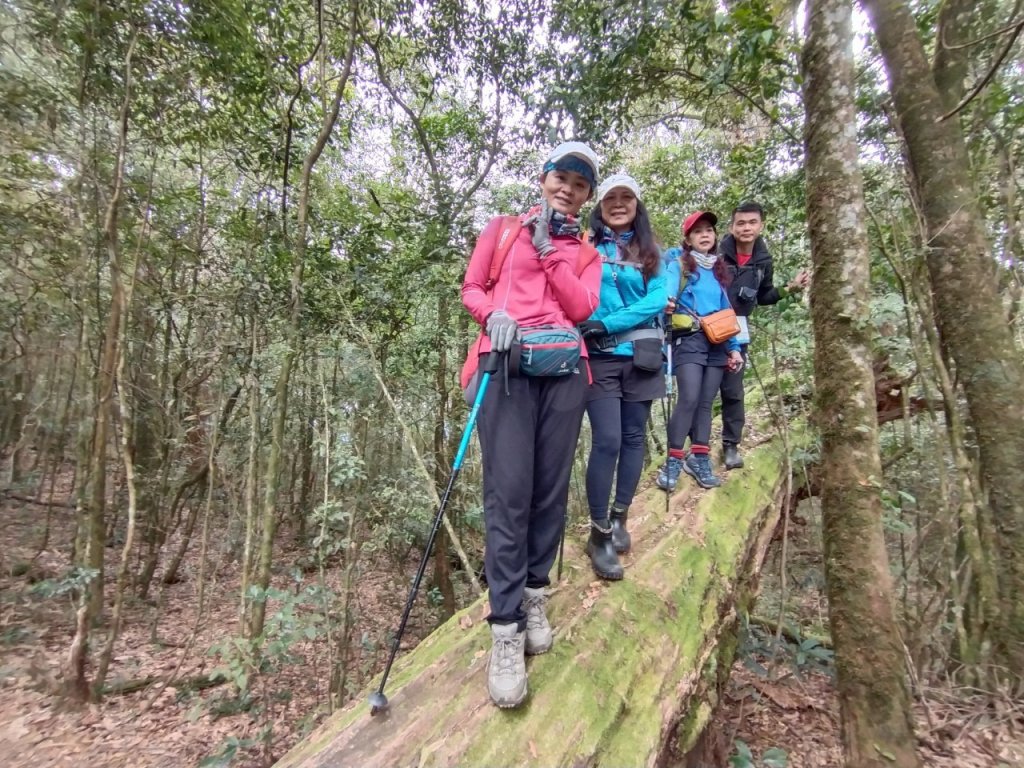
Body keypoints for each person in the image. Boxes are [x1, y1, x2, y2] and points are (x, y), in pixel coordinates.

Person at [460, 141, 602, 709]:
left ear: (587, 196)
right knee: (508, 494)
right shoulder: (500, 229)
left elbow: (581, 308)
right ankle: (505, 627)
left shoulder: (587, 253)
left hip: (565, 372)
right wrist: (493, 314)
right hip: (504, 364)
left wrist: (551, 251)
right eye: (561, 176)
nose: (568, 186)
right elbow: (472, 288)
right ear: (543, 179)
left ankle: (536, 593)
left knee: (549, 493)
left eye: (580, 182)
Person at [577, 173, 667, 581]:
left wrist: (608, 323)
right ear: (600, 205)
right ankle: (597, 533)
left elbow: (655, 300)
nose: (618, 203)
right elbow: (573, 288)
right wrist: (593, 325)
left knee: (633, 438)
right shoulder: (586, 245)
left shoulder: (650, 251)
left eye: (626, 197)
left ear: (636, 204)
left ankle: (619, 518)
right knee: (608, 440)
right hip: (599, 358)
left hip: (642, 355)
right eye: (610, 197)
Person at [713, 201, 809, 470]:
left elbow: (764, 295)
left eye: (752, 222)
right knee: (701, 391)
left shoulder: (763, 260)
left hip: (738, 330)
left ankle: (731, 445)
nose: (746, 228)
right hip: (708, 328)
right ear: (732, 227)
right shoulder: (717, 255)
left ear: (761, 225)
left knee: (733, 390)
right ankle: (694, 449)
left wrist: (788, 289)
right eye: (741, 223)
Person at [657, 211, 743, 491]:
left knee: (706, 401)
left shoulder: (718, 269)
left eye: (709, 230)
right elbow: (668, 290)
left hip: (717, 342)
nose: (705, 235)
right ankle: (673, 460)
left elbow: (725, 311)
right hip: (689, 339)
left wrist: (734, 348)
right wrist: (667, 301)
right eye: (698, 231)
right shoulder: (680, 266)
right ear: (688, 239)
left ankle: (700, 457)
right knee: (689, 398)